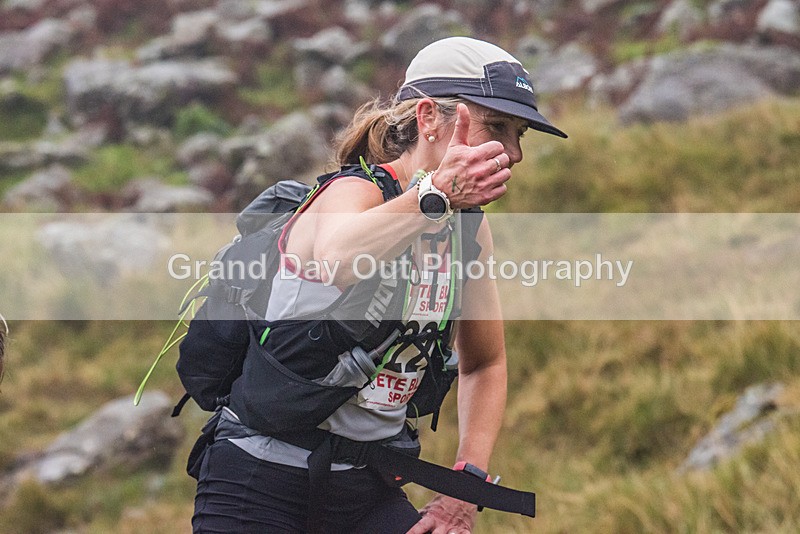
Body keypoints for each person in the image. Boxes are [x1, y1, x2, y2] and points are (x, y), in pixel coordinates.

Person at [191, 36, 566, 534]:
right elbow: (337, 258)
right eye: (496, 126)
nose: (514, 152)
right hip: (258, 483)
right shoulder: (352, 192)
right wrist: (435, 197)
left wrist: (464, 488)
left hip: (368, 491)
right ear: (429, 117)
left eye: (520, 134)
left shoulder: (469, 228)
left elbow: (485, 362)